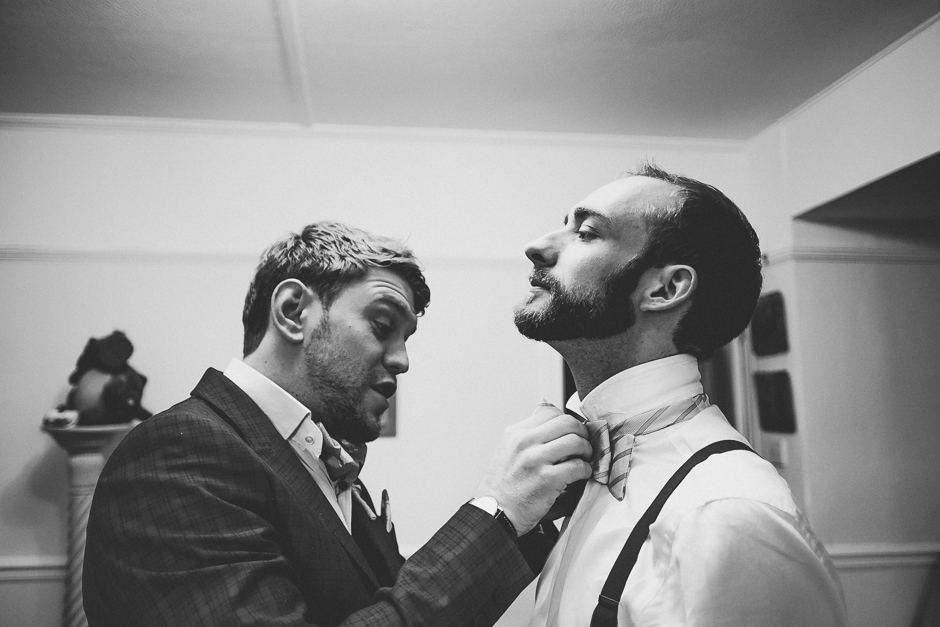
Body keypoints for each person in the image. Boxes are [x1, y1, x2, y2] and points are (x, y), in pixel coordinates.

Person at [83, 221, 592, 626]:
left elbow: (382, 606)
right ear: (292, 311)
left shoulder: (316, 458)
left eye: (406, 338)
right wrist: (495, 511)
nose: (402, 360)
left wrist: (528, 515)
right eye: (382, 325)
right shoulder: (178, 453)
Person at [514, 164, 847, 626]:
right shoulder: (580, 467)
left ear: (666, 288)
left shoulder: (727, 513)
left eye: (587, 233)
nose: (538, 245)